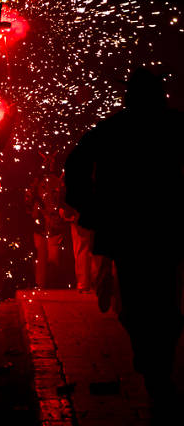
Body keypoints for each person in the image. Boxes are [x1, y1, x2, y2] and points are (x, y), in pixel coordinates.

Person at [65, 67, 184, 408]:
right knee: (161, 304)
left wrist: (88, 205)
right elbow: (77, 164)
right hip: (162, 230)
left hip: (132, 231)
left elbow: (75, 164)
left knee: (140, 305)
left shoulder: (113, 129)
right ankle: (156, 365)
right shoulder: (172, 125)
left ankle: (153, 365)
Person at [25, 152, 66, 289]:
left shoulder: (58, 181)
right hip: (40, 223)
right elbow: (29, 199)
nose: (49, 164)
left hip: (54, 224)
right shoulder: (37, 181)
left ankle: (52, 284)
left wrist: (58, 213)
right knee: (41, 256)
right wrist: (34, 211)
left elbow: (61, 199)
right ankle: (40, 284)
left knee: (53, 257)